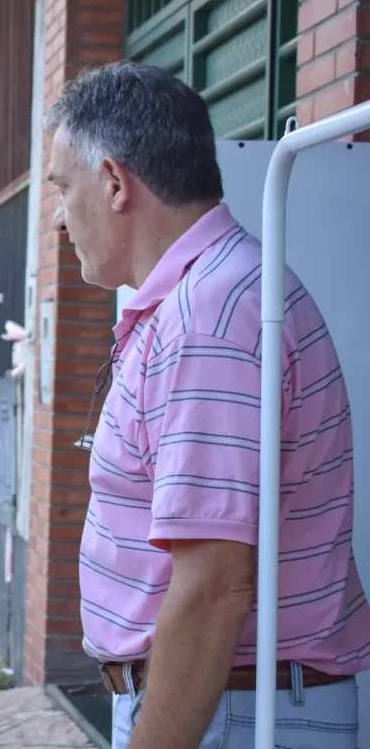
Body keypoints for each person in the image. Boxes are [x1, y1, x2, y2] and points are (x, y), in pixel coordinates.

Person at [45, 60, 370, 749]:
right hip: (223, 701)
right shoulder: (202, 299)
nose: (58, 216)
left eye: (62, 188)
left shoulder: (211, 320)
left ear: (112, 183)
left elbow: (213, 586)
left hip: (230, 708)